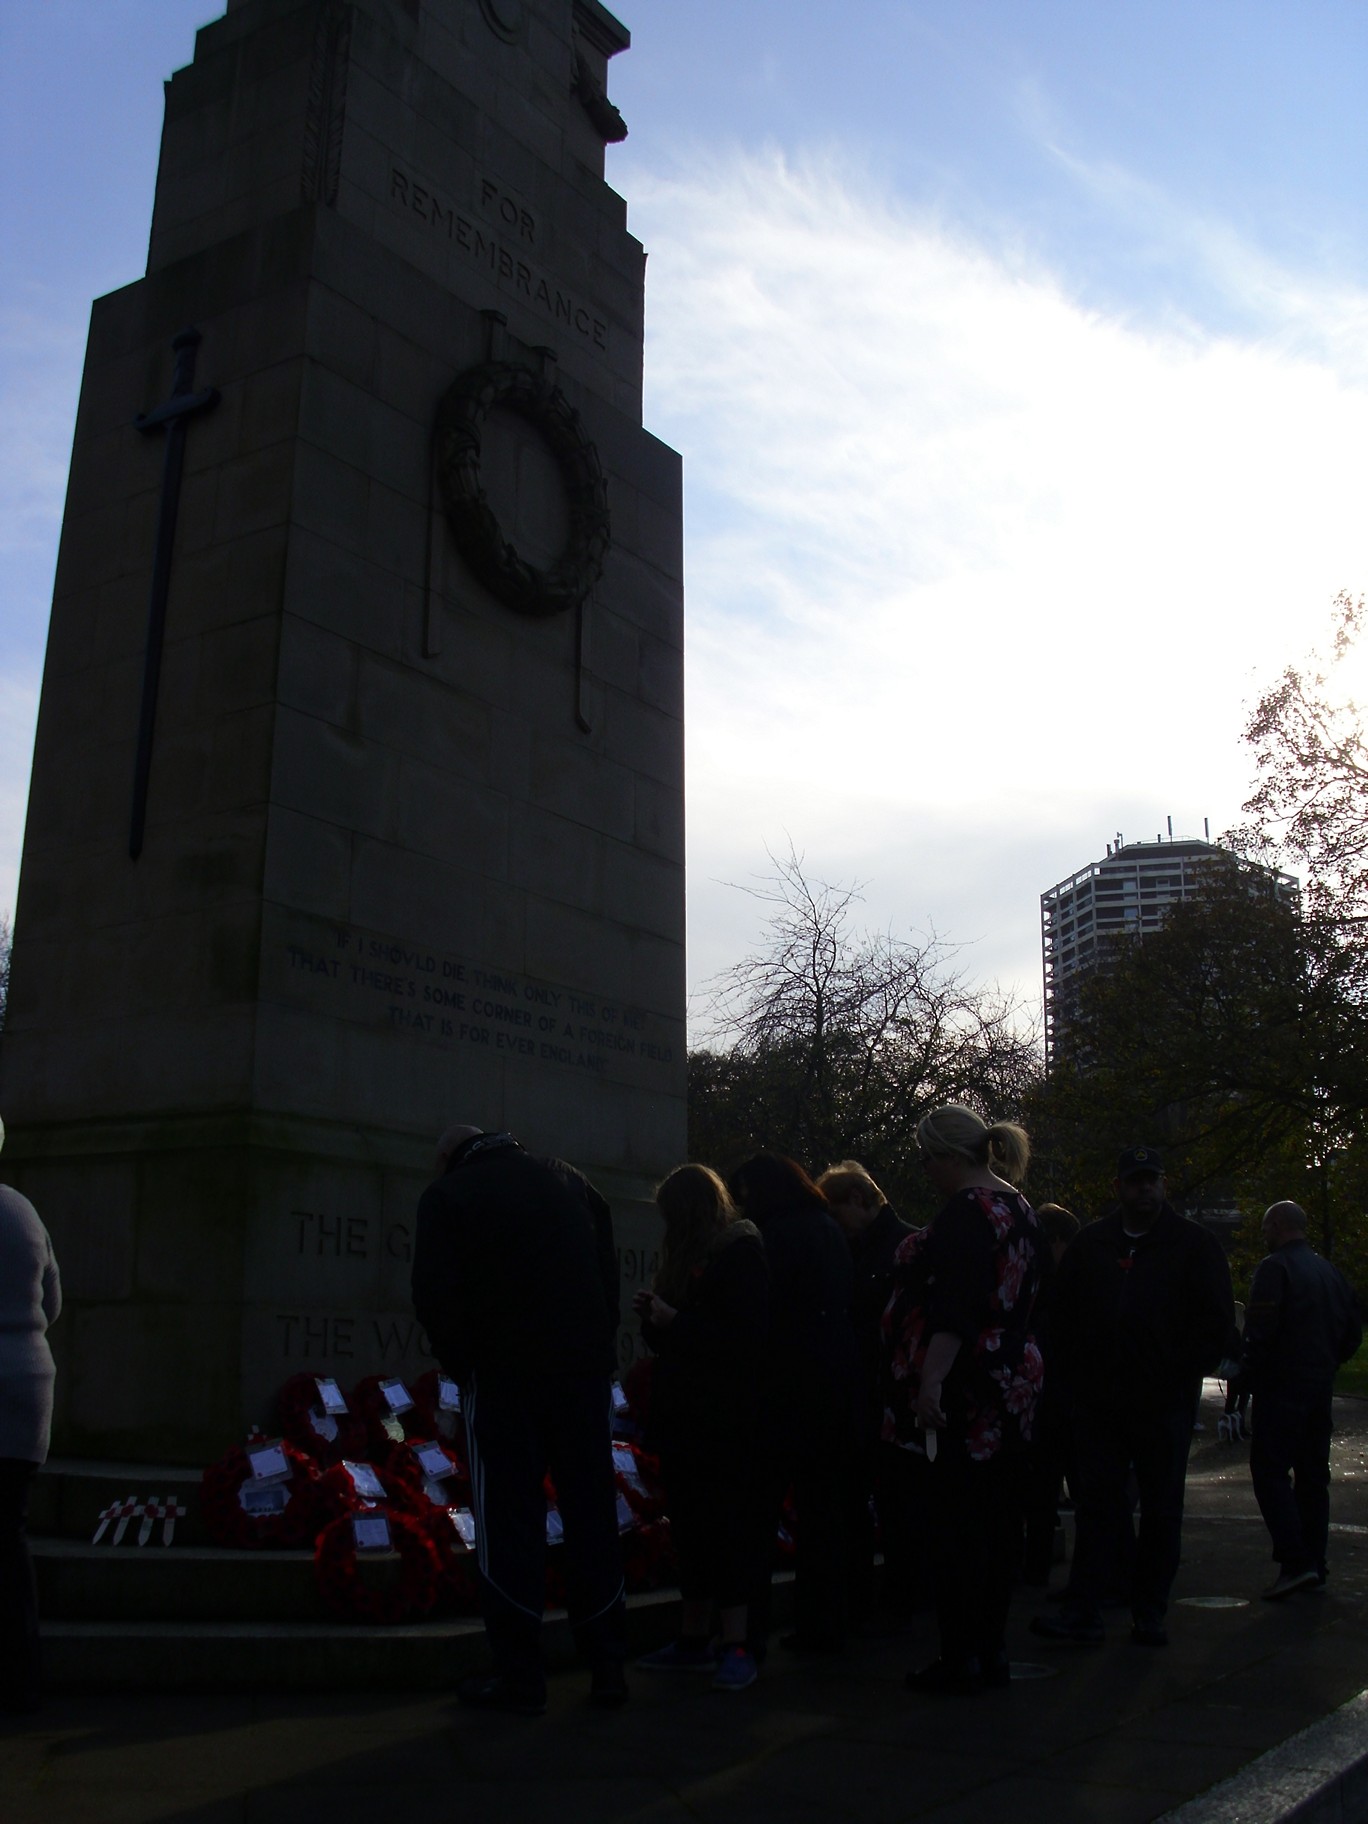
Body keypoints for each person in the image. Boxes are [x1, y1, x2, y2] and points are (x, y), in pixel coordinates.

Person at [411, 1124, 625, 1715]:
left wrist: (467, 1366)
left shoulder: (452, 1195)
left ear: (449, 1156)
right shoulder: (573, 1184)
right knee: (591, 1512)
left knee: (508, 1519)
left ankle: (520, 1674)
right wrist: (594, 1350)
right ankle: (607, 1664)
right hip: (580, 1376)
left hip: (505, 1378)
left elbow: (434, 1295)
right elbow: (607, 1280)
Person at [1032, 1146, 1233, 1650]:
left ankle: (1149, 1612)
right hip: (1101, 1401)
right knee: (1098, 1505)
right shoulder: (1093, 1245)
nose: (1145, 1188)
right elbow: (1061, 1313)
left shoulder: (1192, 1245)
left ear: (1163, 1185)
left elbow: (1215, 1325)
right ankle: (1088, 1607)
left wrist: (1178, 1369)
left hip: (1162, 1401)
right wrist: (1078, 1375)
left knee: (1162, 1508)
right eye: (1136, 1180)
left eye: (1152, 1180)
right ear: (1119, 1187)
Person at [883, 1105, 1045, 1694]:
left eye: (927, 1158)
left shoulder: (966, 1212)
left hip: (972, 1380)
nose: (924, 1170)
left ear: (951, 1157)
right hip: (1015, 1376)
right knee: (1000, 1523)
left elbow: (957, 1306)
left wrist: (930, 1381)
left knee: (956, 1526)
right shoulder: (1019, 1209)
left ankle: (960, 1657)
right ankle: (991, 1648)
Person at [634, 1165, 769, 1691]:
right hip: (687, 1417)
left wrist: (676, 1322)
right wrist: (657, 1321)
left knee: (725, 1531)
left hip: (725, 1419)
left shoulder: (741, 1254)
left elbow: (743, 1341)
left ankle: (736, 1642)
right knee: (690, 1530)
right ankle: (693, 1638)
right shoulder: (689, 1258)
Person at [728, 1153, 858, 1657]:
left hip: (783, 1389)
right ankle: (823, 1625)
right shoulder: (827, 1229)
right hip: (832, 1384)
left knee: (757, 1514)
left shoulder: (772, 1237)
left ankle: (750, 1631)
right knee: (823, 1515)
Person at [1242, 1200, 1362, 1600]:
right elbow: (1352, 1332)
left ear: (1276, 1226)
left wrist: (1246, 1373)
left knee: (1270, 1471)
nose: (1264, 1237)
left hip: (1282, 1386)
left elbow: (1260, 1332)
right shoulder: (1329, 1271)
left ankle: (1295, 1560)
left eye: (1265, 1229)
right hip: (1319, 1384)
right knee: (1313, 1477)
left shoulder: (1275, 1269)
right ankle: (1315, 1559)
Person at [815, 1160, 917, 1627]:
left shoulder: (905, 1247)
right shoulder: (864, 1248)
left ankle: (899, 1599)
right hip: (867, 1391)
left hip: (890, 1392)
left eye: (837, 1214)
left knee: (899, 1505)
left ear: (858, 1199)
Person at [0, 1114, 62, 1715]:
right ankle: (23, 1673)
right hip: (27, 1376)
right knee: (9, 1530)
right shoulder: (23, 1210)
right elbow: (55, 1297)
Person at [1019, 1203, 1080, 1585]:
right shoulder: (1072, 1285)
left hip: (1046, 1399)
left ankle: (1036, 1569)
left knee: (1040, 1491)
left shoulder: (1036, 1285)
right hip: (1070, 1399)